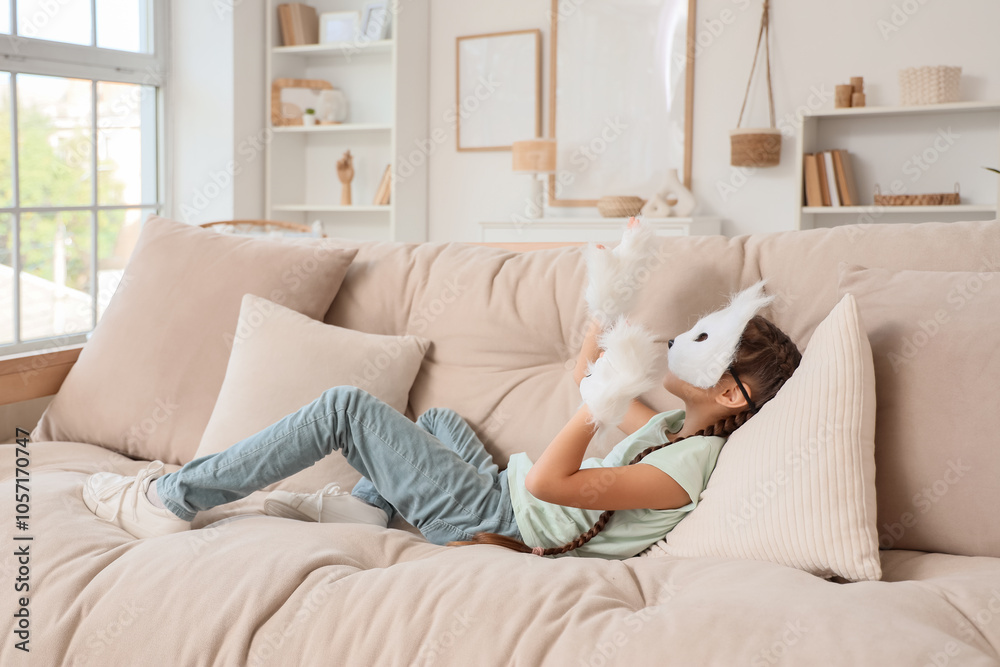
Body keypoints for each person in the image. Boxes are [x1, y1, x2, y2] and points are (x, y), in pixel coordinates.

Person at [83, 313, 801, 560]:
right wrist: (602, 328)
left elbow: (555, 485)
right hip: (499, 492)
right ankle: (368, 509)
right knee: (438, 422)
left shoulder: (690, 466)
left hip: (501, 520)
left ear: (733, 391)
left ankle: (171, 498)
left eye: (708, 341)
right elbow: (591, 375)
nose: (685, 338)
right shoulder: (678, 426)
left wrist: (598, 402)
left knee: (344, 408)